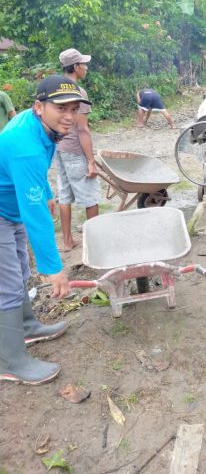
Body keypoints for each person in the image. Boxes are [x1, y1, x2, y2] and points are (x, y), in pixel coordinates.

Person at [0, 76, 89, 384]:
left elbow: (33, 177)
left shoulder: (40, 127)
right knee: (7, 284)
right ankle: (10, 362)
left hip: (10, 208)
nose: (69, 115)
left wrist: (46, 191)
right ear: (39, 106)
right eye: (61, 107)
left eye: (74, 108)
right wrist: (53, 268)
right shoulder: (24, 145)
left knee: (20, 271)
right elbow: (35, 215)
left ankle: (26, 327)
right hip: (3, 212)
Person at [56, 48, 101, 252]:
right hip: (75, 149)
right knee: (90, 196)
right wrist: (91, 161)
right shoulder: (78, 92)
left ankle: (67, 241)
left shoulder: (55, 88)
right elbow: (83, 129)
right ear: (75, 67)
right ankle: (94, 244)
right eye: (83, 64)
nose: (86, 67)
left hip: (59, 148)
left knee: (65, 195)